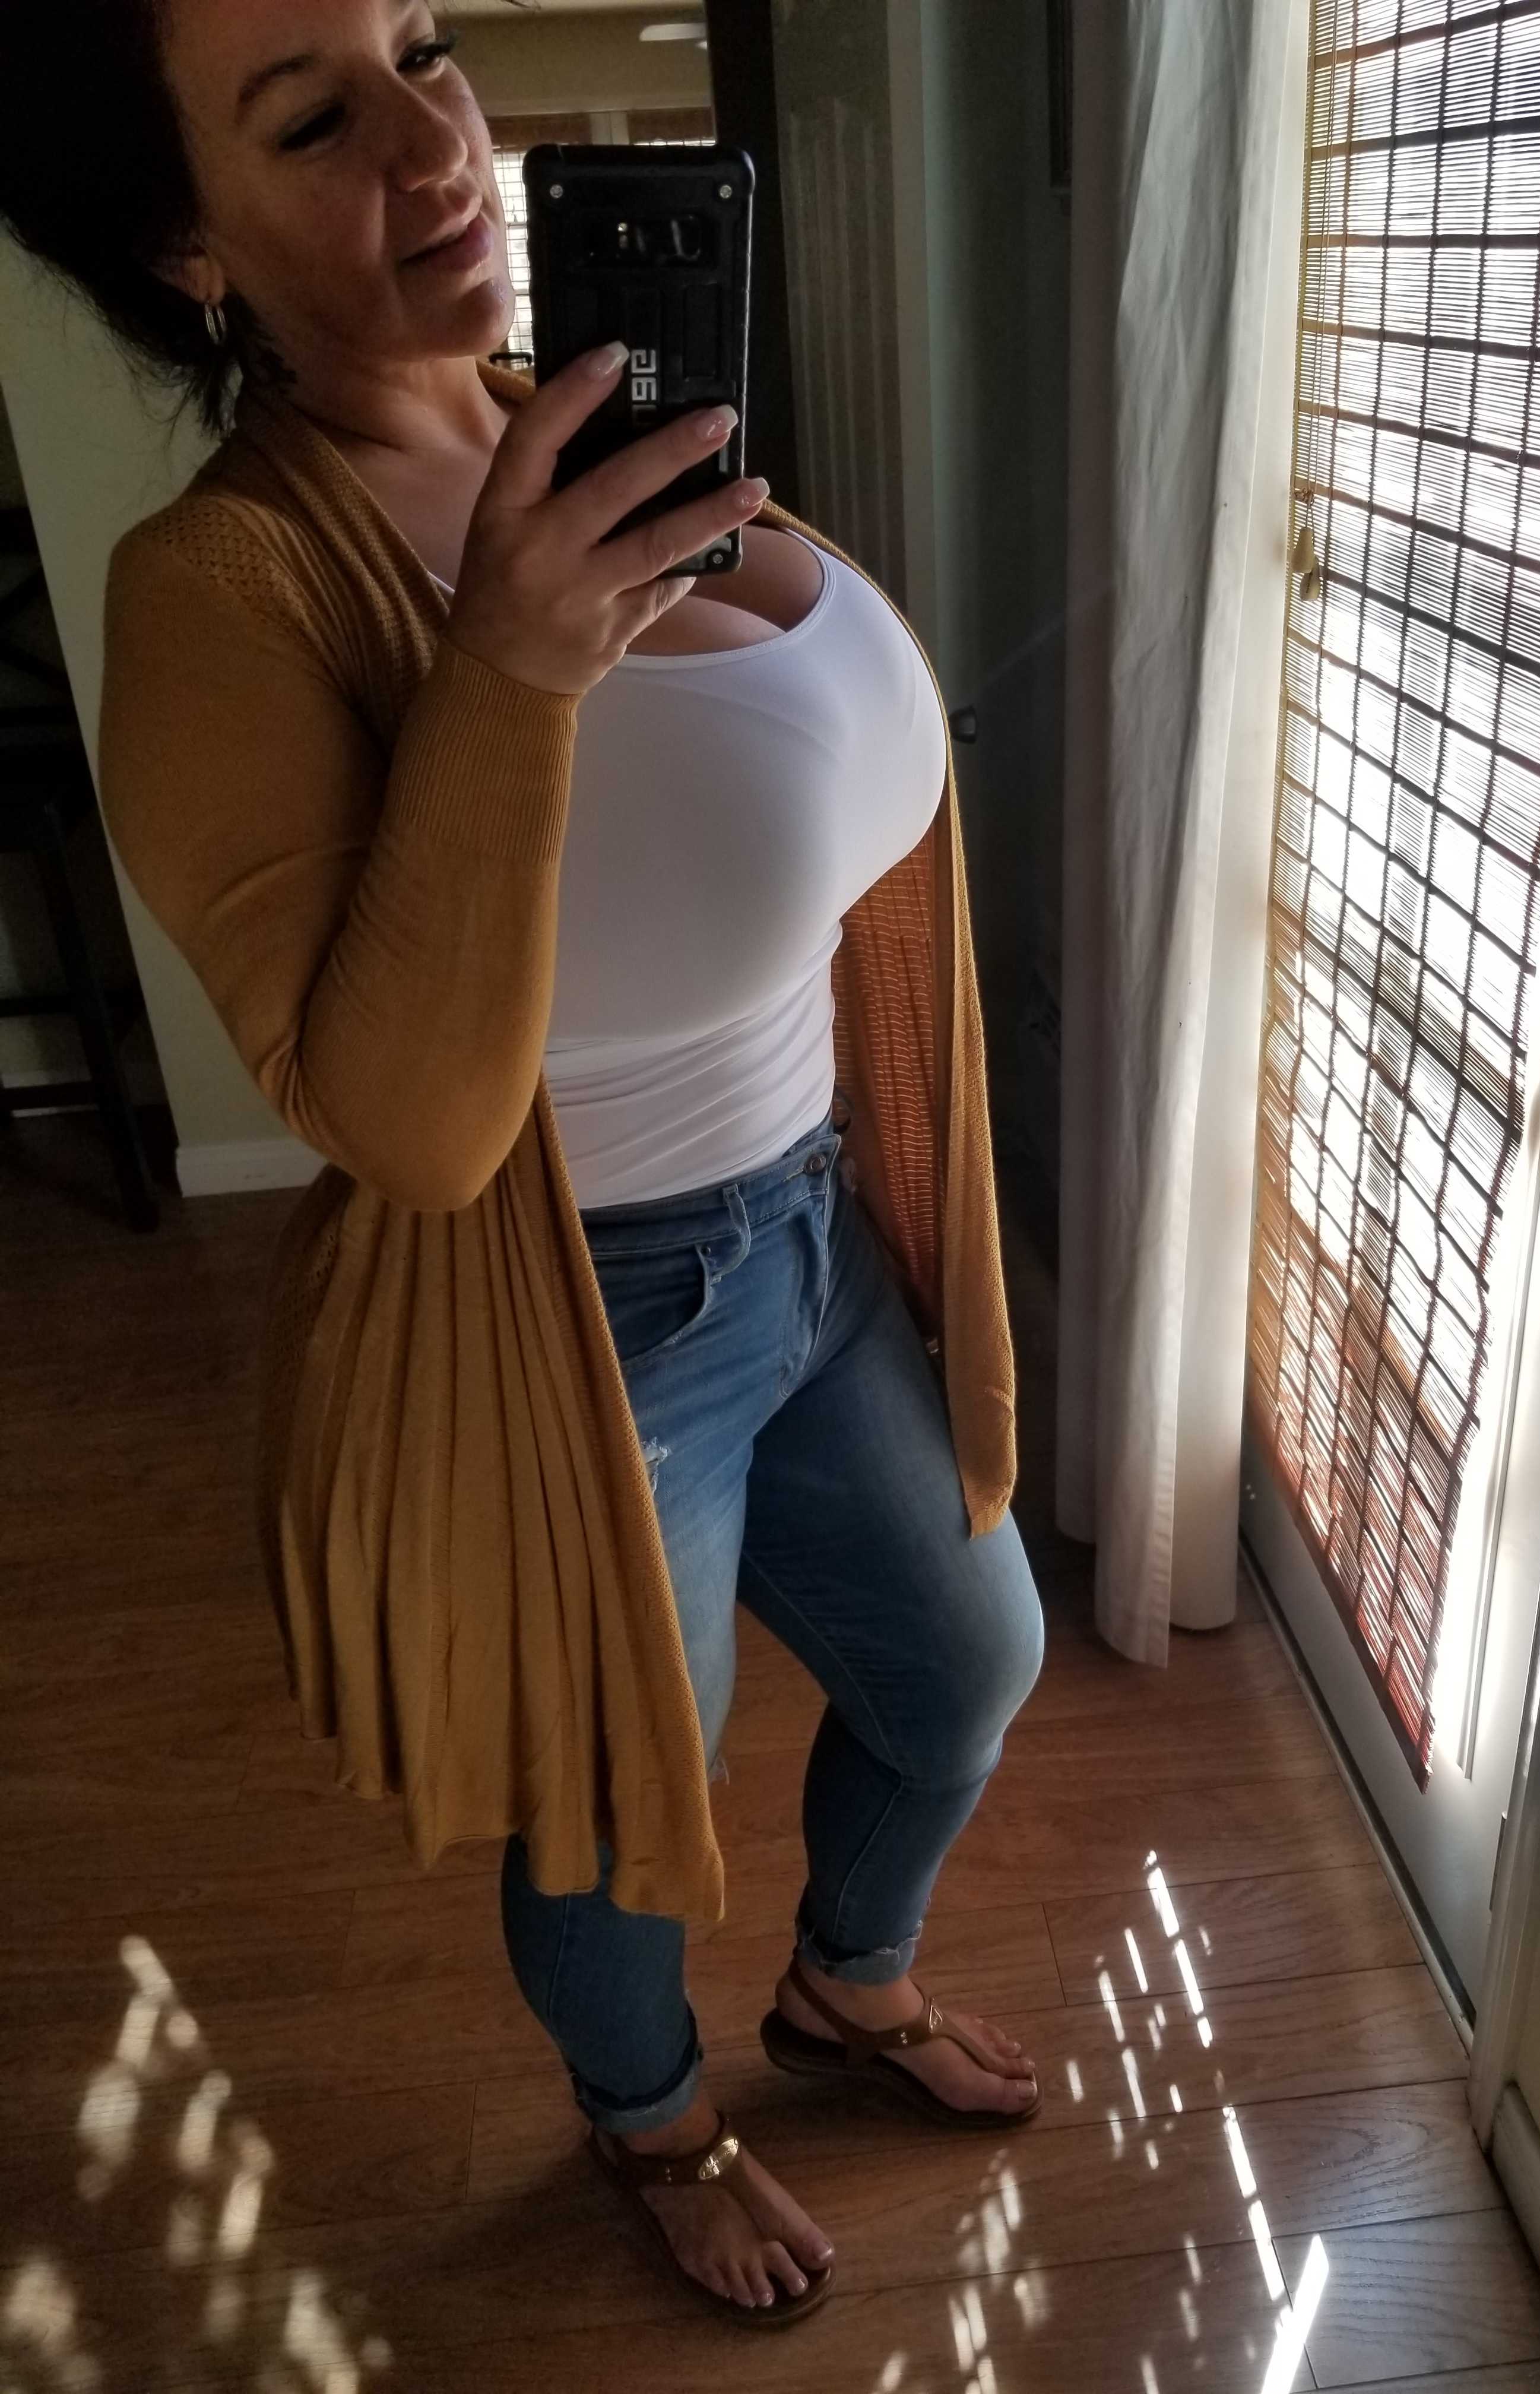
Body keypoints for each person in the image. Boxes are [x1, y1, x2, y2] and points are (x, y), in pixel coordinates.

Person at [0, 0, 1045, 2330]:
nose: (434, 139)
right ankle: (649, 2116)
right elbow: (400, 1120)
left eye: (424, 44)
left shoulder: (590, 415)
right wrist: (509, 668)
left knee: (973, 1660)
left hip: (816, 1228)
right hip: (589, 1307)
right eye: (313, 117)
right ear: (186, 245)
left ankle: (846, 1982)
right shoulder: (222, 592)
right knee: (613, 1811)